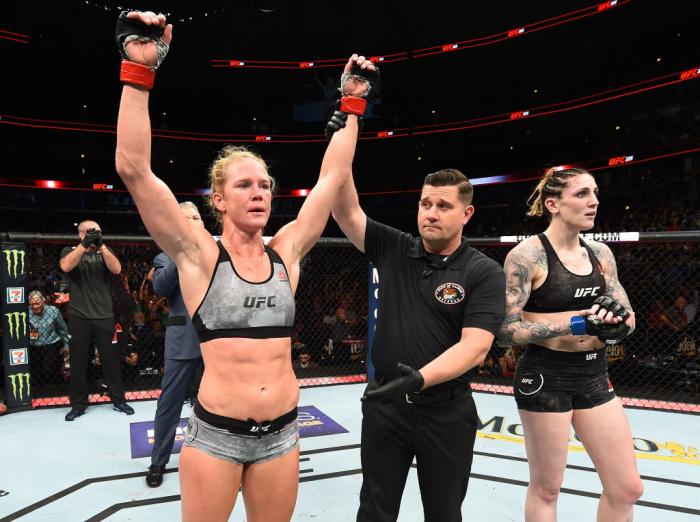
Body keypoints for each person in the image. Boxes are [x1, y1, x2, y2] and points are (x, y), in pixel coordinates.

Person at [113, 9, 377, 520]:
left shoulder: (287, 251)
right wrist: (138, 71)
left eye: (265, 185)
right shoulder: (197, 253)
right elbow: (133, 168)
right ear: (218, 198)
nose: (258, 193)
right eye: (244, 184)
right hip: (216, 439)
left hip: (282, 436)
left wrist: (353, 103)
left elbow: (332, 178)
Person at [330, 161, 506, 519]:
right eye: (426, 204)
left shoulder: (483, 271)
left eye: (444, 206)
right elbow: (345, 210)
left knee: (444, 513)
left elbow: (476, 347)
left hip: (446, 411)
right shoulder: (395, 248)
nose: (431, 213)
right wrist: (345, 138)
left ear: (466, 213)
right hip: (385, 407)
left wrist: (420, 379)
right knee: (374, 510)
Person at [496, 167, 643, 522]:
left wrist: (615, 328)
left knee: (627, 488)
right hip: (546, 377)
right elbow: (505, 332)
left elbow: (629, 317)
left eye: (594, 193)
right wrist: (576, 321)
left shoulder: (601, 254)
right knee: (547, 488)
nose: (594, 201)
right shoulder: (527, 256)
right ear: (553, 204)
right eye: (581, 194)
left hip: (593, 373)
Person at [146, 202, 206, 488]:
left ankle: (214, 458)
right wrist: (179, 252)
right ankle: (158, 461)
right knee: (169, 405)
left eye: (197, 217)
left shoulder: (218, 254)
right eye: (187, 219)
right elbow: (159, 288)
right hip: (182, 341)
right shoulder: (163, 256)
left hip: (216, 343)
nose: (193, 222)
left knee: (214, 404)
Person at [60, 220, 134, 421]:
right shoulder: (70, 250)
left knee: (111, 361)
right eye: (91, 232)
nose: (95, 235)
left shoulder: (104, 253)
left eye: (98, 232)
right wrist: (84, 245)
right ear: (81, 234)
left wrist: (101, 244)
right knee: (78, 362)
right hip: (79, 316)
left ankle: (118, 400)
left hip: (104, 315)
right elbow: (66, 266)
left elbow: (117, 269)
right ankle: (78, 405)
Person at [27, 290, 70, 387]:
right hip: (33, 346)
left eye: (37, 303)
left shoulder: (53, 311)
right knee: (36, 374)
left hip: (52, 344)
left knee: (49, 369)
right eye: (32, 304)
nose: (35, 306)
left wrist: (66, 344)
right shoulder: (26, 313)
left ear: (43, 301)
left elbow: (63, 329)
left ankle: (56, 390)